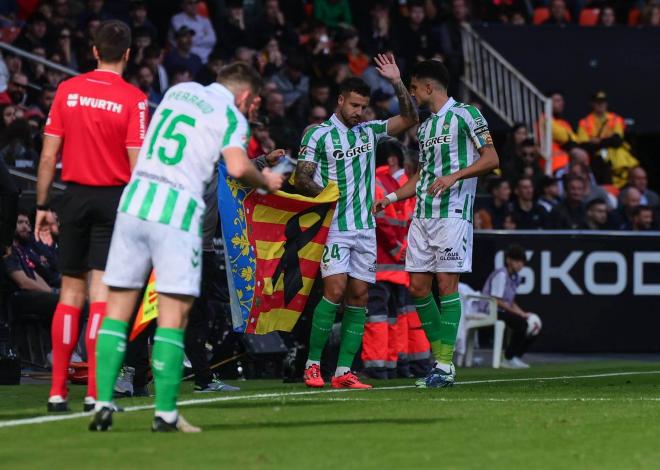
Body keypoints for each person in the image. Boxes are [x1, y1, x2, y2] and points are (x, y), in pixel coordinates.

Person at [89, 62, 284, 433]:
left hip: (134, 203)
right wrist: (267, 181)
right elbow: (239, 167)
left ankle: (101, 400)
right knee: (173, 316)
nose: (253, 107)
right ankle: (165, 413)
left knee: (117, 310)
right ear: (244, 95)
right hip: (177, 214)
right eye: (254, 101)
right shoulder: (233, 117)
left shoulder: (180, 91)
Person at [35, 20, 149, 413]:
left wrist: (41, 206)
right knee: (102, 297)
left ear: (95, 51)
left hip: (74, 197)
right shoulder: (134, 99)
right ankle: (95, 392)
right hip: (114, 201)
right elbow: (137, 165)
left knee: (69, 294)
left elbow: (48, 156)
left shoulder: (67, 91)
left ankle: (55, 392)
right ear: (129, 54)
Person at [294, 53, 418, 389]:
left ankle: (343, 372)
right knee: (334, 291)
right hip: (333, 227)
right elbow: (301, 177)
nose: (358, 112)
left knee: (360, 296)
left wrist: (396, 81)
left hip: (365, 229)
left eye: (363, 106)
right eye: (353, 105)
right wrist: (327, 195)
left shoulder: (368, 132)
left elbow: (410, 117)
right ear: (340, 101)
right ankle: (313, 365)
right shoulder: (317, 134)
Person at [374, 59, 499, 388]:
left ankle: (443, 365)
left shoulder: (467, 115)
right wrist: (390, 198)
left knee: (446, 286)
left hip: (453, 214)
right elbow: (421, 176)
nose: (412, 93)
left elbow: (491, 158)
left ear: (429, 87)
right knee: (417, 288)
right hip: (422, 216)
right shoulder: (426, 128)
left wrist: (455, 175)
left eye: (414, 87)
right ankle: (441, 360)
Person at [481, 244, 541, 369]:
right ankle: (508, 358)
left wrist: (523, 313)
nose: (520, 264)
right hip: (489, 309)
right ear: (508, 260)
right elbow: (496, 300)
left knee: (534, 325)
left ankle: (515, 356)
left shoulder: (516, 277)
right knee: (521, 324)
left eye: (522, 262)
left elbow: (511, 301)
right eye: (517, 261)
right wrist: (519, 315)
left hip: (502, 310)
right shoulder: (501, 275)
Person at [576, 91, 638, 188]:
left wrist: (596, 141)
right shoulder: (584, 122)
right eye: (597, 102)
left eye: (603, 102)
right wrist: (607, 140)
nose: (601, 105)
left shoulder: (615, 118)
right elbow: (584, 145)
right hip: (596, 159)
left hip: (617, 157)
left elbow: (617, 141)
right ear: (592, 104)